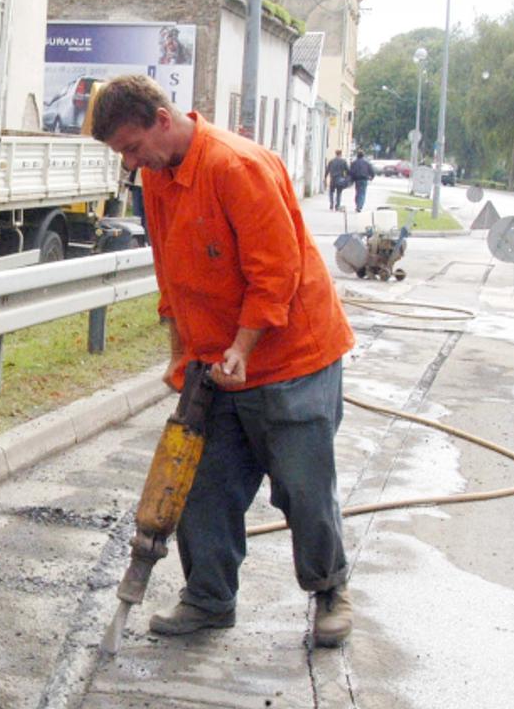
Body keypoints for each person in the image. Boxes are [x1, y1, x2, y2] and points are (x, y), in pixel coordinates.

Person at [89, 75, 356, 650]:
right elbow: (175, 279)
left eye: (133, 148)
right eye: (122, 156)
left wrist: (242, 348)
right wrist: (183, 355)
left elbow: (275, 273)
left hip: (292, 360)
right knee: (203, 486)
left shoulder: (236, 167)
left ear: (163, 119)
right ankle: (209, 599)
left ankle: (330, 591)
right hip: (218, 363)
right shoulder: (158, 179)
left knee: (303, 485)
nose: (132, 165)